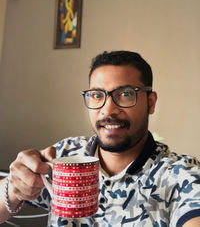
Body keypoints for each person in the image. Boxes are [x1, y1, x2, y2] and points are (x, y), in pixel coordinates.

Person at [0, 50, 200, 226]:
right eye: (97, 95)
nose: (108, 110)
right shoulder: (64, 156)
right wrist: (13, 189)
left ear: (151, 102)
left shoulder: (180, 175)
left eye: (125, 94)